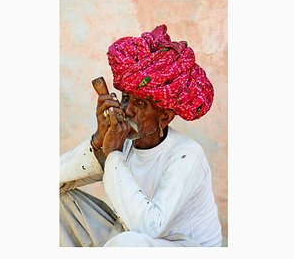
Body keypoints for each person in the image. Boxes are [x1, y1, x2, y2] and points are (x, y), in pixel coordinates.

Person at [60, 24, 222, 247]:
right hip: (129, 236)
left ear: (164, 117)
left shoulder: (187, 155)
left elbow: (149, 227)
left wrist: (113, 155)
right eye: (126, 98)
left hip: (183, 249)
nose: (127, 110)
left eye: (140, 103)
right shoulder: (123, 143)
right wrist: (98, 141)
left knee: (128, 244)